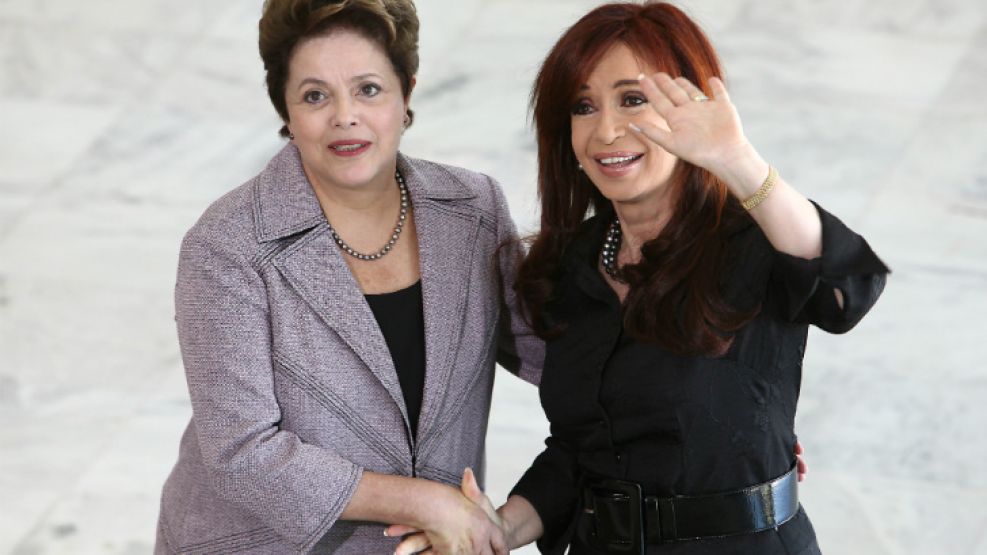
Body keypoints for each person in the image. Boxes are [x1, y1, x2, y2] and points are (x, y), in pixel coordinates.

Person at [396, 2, 888, 554]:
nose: (606, 130)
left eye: (633, 100)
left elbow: (849, 291)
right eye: (583, 106)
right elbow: (579, 452)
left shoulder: (752, 240)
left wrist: (737, 159)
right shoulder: (568, 266)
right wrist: (500, 529)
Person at [153, 0, 542, 553]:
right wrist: (423, 500)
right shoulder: (227, 246)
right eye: (315, 96)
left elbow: (556, 357)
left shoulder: (473, 210)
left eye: (368, 89)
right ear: (285, 110)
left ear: (406, 93)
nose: (345, 116)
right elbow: (241, 454)